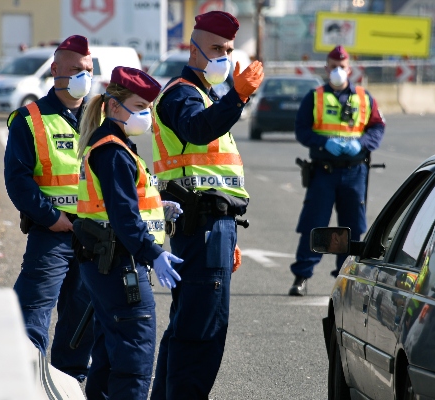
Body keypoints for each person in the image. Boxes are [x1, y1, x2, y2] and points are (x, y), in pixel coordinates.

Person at [150, 10, 264, 399]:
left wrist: (227, 233)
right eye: (216, 48)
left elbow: (215, 178)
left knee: (187, 327)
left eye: (230, 50)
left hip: (211, 226)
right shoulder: (182, 93)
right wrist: (239, 96)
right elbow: (199, 131)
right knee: (202, 333)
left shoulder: (205, 96)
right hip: (200, 226)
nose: (225, 57)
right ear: (193, 48)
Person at [75, 66, 183, 400]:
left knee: (110, 356)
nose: (146, 114)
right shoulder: (113, 151)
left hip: (109, 262)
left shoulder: (115, 145)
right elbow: (123, 217)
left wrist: (156, 206)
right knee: (133, 358)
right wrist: (155, 254)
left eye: (148, 107)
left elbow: (120, 203)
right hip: (121, 265)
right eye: (140, 106)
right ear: (114, 105)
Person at [4, 35, 95, 381]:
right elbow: (18, 181)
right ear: (55, 70)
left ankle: (70, 383)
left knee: (81, 319)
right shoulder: (29, 119)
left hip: (92, 235)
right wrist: (51, 217)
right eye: (74, 70)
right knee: (32, 313)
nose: (83, 77)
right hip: (52, 233)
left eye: (87, 70)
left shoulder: (100, 120)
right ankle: (28, 382)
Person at [288, 45, 385, 296]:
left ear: (349, 69)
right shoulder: (315, 97)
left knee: (352, 227)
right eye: (333, 66)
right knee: (314, 223)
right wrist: (322, 142)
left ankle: (346, 279)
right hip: (323, 171)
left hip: (354, 171)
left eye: (342, 67)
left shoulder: (365, 97)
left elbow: (377, 128)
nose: (338, 71)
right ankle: (301, 277)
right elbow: (301, 129)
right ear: (326, 68)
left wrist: (360, 144)